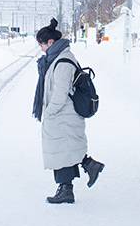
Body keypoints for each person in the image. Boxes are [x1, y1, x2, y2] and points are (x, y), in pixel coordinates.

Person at [32, 18, 104, 204]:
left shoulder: (62, 61)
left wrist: (49, 112)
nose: (40, 48)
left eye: (41, 44)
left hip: (63, 114)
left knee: (61, 151)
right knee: (65, 150)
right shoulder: (58, 57)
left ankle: (67, 188)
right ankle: (78, 177)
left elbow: (60, 93)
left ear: (51, 42)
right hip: (63, 115)